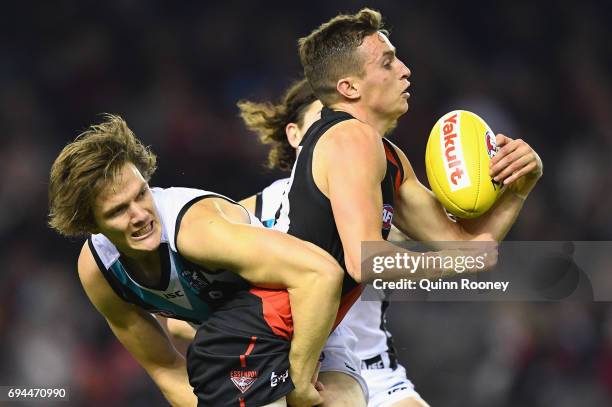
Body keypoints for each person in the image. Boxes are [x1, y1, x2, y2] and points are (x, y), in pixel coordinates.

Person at [271, 7, 542, 405]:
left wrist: (518, 187)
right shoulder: (348, 139)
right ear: (349, 87)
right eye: (387, 61)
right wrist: (453, 263)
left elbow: (464, 245)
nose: (405, 69)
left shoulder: (387, 156)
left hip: (325, 350)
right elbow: (366, 261)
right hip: (276, 345)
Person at [47, 114, 345, 407]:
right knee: (196, 339)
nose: (139, 215)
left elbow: (322, 274)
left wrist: (301, 380)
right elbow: (165, 369)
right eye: (118, 211)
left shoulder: (196, 231)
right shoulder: (98, 271)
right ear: (91, 225)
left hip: (316, 309)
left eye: (141, 194)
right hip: (249, 337)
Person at [238, 78, 427, 407]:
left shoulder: (380, 197)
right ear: (294, 134)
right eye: (323, 119)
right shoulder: (247, 215)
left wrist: (507, 188)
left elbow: (462, 241)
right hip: (301, 372)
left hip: (376, 374)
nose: (337, 132)